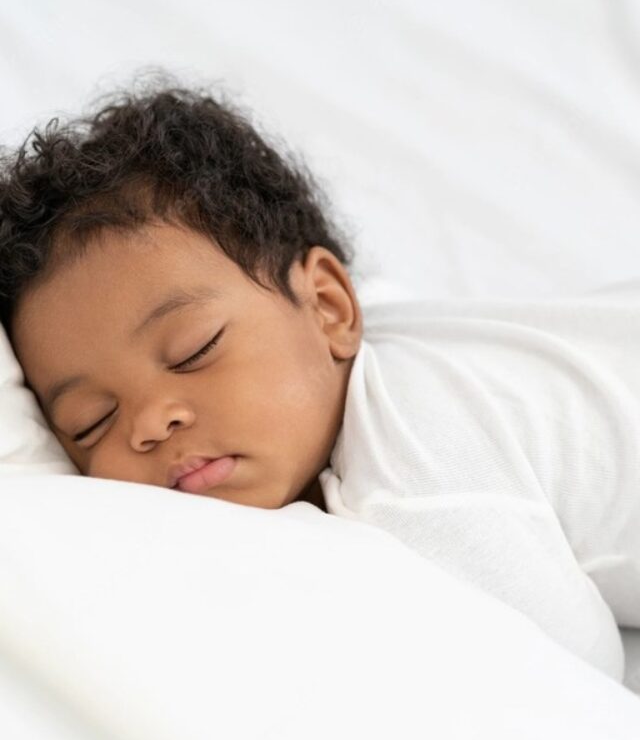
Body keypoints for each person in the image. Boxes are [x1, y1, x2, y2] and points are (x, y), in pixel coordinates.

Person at [0, 78, 636, 682]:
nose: (149, 420)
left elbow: (583, 680)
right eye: (92, 421)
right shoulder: (338, 335)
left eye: (194, 350)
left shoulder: (416, 478)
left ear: (331, 308)